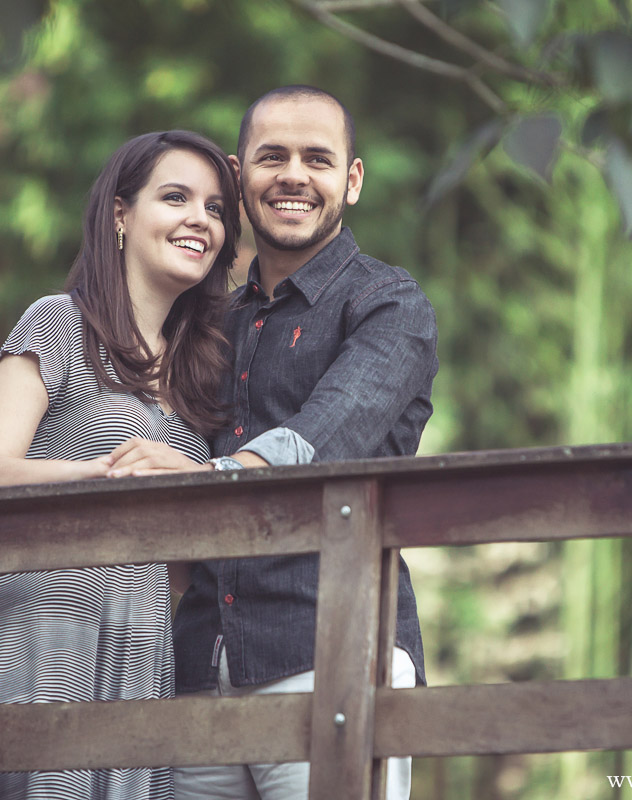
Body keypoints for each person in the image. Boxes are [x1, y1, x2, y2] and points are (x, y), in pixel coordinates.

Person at [0, 129, 241, 800]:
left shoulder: (202, 379)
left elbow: (183, 568)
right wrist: (112, 472)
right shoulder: (59, 324)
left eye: (217, 208)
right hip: (39, 636)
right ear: (120, 215)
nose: (201, 219)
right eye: (176, 197)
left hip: (139, 655)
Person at [172, 86, 439, 800]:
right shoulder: (207, 320)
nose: (293, 174)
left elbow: (322, 436)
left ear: (351, 180)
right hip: (199, 665)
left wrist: (183, 481)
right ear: (237, 176)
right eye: (273, 157)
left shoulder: (389, 304)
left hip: (332, 652)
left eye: (317, 158)